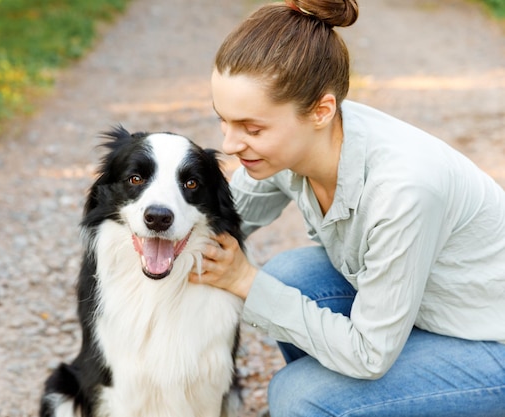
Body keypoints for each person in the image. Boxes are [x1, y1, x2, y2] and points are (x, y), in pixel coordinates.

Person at [188, 0, 505, 416]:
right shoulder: (292, 146)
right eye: (224, 121)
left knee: (298, 395)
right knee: (290, 278)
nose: (230, 145)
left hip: (487, 342)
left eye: (252, 128)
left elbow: (368, 355)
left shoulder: (403, 190)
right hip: (423, 315)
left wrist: (246, 281)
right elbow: (218, 224)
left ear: (322, 110)